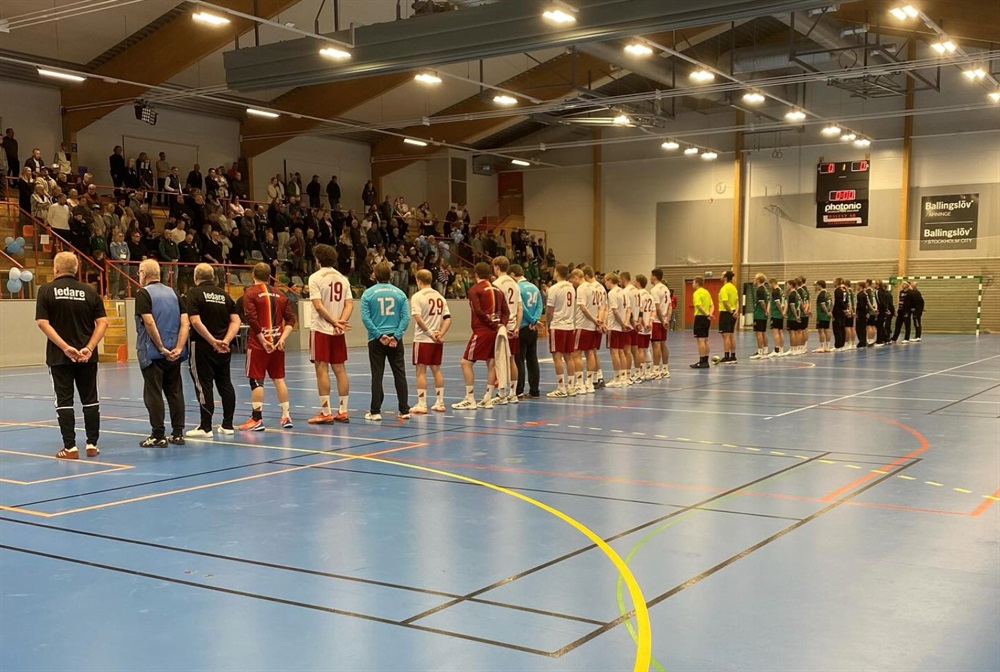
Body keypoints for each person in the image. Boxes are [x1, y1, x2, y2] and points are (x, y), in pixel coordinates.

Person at [34, 252, 108, 459]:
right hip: (87, 357)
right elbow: (103, 322)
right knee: (90, 399)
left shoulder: (46, 290)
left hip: (59, 358)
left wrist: (65, 347)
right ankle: (92, 444)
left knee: (64, 401)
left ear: (56, 268)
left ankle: (70, 447)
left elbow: (42, 322)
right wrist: (89, 347)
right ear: (76, 269)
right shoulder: (90, 291)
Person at [135, 259, 189, 447]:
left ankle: (158, 435)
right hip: (175, 353)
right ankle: (178, 433)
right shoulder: (174, 293)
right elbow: (185, 323)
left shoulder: (143, 294)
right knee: (175, 392)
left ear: (143, 273)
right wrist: (179, 347)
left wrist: (160, 347)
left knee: (153, 393)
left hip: (152, 353)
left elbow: (149, 322)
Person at [184, 263, 240, 438]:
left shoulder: (193, 293)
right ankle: (228, 425)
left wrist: (212, 341)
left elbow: (195, 321)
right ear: (213, 277)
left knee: (203, 385)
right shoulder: (225, 295)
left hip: (202, 346)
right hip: (224, 348)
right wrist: (225, 340)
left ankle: (205, 427)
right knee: (225, 383)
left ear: (196, 277)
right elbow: (236, 321)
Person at [239, 263, 296, 431]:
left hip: (258, 344)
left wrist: (263, 341)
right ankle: (286, 416)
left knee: (256, 380)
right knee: (279, 379)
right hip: (277, 343)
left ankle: (256, 418)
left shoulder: (250, 294)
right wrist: (282, 339)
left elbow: (252, 319)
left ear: (253, 274)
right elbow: (291, 319)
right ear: (270, 276)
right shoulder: (281, 294)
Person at [452, 262, 508, 410]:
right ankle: (488, 398)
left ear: (475, 274)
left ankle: (469, 398)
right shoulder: (498, 290)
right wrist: (501, 325)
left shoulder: (475, 290)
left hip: (482, 331)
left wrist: (493, 325)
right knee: (491, 363)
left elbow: (478, 311)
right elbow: (506, 311)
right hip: (496, 332)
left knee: (466, 363)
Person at [360, 262, 411, 421]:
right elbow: (406, 318)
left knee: (377, 374)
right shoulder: (400, 294)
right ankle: (404, 410)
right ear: (391, 275)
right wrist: (396, 336)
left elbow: (366, 318)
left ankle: (375, 411)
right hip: (395, 339)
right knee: (400, 374)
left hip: (376, 340)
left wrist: (378, 335)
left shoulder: (368, 294)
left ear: (375, 275)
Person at [308, 244, 353, 423]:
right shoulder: (343, 278)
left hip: (321, 328)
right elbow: (349, 304)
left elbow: (318, 306)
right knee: (340, 370)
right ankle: (343, 411)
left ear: (318, 259)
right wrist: (340, 322)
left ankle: (326, 412)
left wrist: (334, 322)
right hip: (337, 331)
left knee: (321, 369)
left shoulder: (315, 277)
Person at [409, 269, 452, 413]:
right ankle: (440, 402)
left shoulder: (417, 296)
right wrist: (440, 333)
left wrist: (429, 334)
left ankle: (422, 404)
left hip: (423, 339)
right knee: (436, 369)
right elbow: (447, 318)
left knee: (420, 371)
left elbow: (418, 318)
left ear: (418, 280)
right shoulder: (440, 296)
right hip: (436, 340)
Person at [492, 256, 523, 404]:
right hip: (512, 325)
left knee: (499, 360)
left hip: (501, 326)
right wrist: (517, 326)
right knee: (512, 360)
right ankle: (513, 393)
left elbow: (495, 307)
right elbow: (520, 308)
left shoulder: (496, 284)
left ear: (497, 267)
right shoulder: (515, 284)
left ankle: (501, 393)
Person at [545, 264, 577, 396]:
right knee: (569, 356)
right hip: (569, 325)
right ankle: (571, 387)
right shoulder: (571, 287)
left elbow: (550, 310)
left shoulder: (554, 288)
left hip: (558, 325)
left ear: (557, 273)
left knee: (557, 357)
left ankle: (561, 388)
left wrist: (547, 324)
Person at [511, 264, 542, 399]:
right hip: (532, 329)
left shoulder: (517, 287)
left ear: (513, 274)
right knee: (532, 359)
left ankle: (519, 390)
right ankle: (534, 390)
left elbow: (521, 307)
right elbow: (540, 305)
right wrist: (535, 320)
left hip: (523, 325)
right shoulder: (534, 287)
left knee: (519, 360)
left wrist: (531, 320)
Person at [604, 272, 629, 386]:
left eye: (606, 281)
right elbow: (628, 309)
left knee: (614, 352)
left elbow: (615, 311)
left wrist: (622, 324)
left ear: (610, 280)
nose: (605, 283)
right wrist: (625, 323)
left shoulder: (612, 293)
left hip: (614, 326)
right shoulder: (623, 292)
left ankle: (617, 378)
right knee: (621, 351)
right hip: (622, 325)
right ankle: (624, 377)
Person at [649, 269, 672, 376]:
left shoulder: (655, 290)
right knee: (663, 344)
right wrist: (667, 319)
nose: (650, 278)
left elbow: (657, 308)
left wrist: (662, 321)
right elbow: (670, 306)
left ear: (654, 276)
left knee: (656, 344)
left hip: (657, 321)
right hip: (664, 320)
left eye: (651, 276)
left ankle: (656, 370)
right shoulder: (666, 288)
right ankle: (665, 369)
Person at [690, 276, 714, 368]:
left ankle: (701, 361)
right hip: (706, 318)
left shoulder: (697, 293)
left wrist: (706, 314)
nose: (692, 284)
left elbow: (699, 306)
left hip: (700, 317)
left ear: (697, 283)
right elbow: (712, 305)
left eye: (693, 282)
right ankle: (706, 361)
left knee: (700, 340)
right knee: (706, 340)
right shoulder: (707, 292)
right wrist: (709, 314)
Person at [634, 274, 654, 377]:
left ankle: (640, 372)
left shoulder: (638, 295)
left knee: (640, 349)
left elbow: (639, 311)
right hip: (648, 327)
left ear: (638, 282)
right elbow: (653, 311)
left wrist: (643, 323)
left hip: (641, 326)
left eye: (634, 280)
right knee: (646, 348)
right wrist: (650, 322)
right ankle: (648, 372)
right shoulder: (650, 295)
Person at [717, 270, 739, 363]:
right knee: (731, 335)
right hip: (733, 312)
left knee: (726, 336)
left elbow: (725, 303)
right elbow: (737, 301)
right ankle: (733, 356)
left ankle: (726, 357)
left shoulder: (724, 289)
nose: (721, 276)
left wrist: (730, 312)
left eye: (722, 275)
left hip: (726, 313)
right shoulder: (734, 288)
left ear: (725, 278)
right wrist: (736, 311)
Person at [749, 273, 769, 360]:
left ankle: (760, 352)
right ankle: (765, 351)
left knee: (759, 333)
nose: (754, 280)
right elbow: (768, 301)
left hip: (759, 314)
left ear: (758, 280)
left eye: (755, 278)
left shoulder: (760, 289)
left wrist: (765, 310)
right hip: (763, 315)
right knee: (763, 332)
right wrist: (767, 311)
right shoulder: (765, 289)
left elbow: (762, 302)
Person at [813, 280, 832, 353]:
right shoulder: (828, 294)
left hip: (822, 315)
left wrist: (827, 312)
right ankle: (828, 346)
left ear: (820, 285)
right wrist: (830, 312)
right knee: (827, 330)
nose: (816, 287)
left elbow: (823, 305)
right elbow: (831, 304)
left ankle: (821, 347)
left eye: (817, 285)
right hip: (827, 316)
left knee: (821, 330)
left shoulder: (821, 294)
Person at [785, 279, 802, 355]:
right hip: (798, 314)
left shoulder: (792, 294)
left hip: (792, 316)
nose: (786, 286)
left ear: (791, 285)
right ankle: (796, 349)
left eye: (787, 284)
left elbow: (792, 306)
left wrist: (796, 316)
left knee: (792, 332)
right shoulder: (797, 294)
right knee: (796, 332)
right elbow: (800, 304)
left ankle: (792, 349)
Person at [832, 277, 847, 351]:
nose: (833, 283)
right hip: (842, 311)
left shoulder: (837, 290)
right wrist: (845, 308)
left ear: (837, 282)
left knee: (837, 328)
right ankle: (842, 344)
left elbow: (839, 301)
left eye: (834, 281)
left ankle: (838, 345)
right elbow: (845, 301)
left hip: (838, 311)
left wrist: (843, 308)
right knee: (842, 327)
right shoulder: (844, 290)